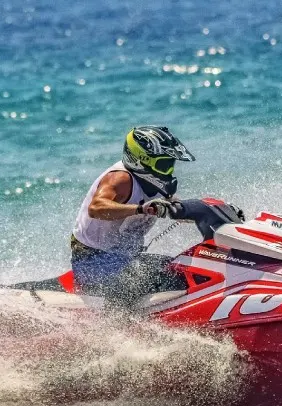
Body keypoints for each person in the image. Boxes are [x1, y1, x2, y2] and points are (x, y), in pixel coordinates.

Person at [71, 126, 195, 299]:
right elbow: (96, 208)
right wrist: (140, 209)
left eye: (170, 164)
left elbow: (180, 209)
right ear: (142, 160)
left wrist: (215, 212)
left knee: (182, 270)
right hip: (92, 260)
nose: (169, 170)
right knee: (138, 278)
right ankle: (118, 324)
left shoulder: (157, 182)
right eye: (164, 164)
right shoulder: (121, 179)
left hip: (126, 258)